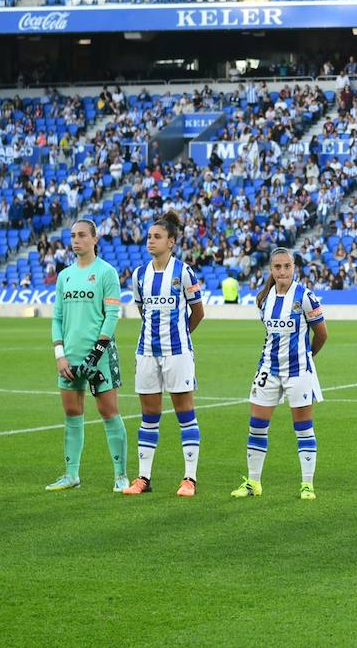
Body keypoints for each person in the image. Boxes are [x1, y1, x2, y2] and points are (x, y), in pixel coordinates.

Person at [232, 247, 328, 500]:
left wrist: (306, 357)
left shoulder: (305, 297)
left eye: (287, 266)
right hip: (268, 369)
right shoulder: (264, 298)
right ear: (271, 270)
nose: (282, 271)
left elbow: (322, 335)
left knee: (303, 428)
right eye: (277, 267)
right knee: (257, 426)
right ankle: (253, 482)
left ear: (294, 267)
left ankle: (307, 484)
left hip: (298, 371)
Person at [122, 211, 205, 498]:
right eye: (149, 237)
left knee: (186, 415)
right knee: (149, 416)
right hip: (146, 352)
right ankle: (144, 477)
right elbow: (142, 311)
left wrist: (179, 336)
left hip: (178, 352)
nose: (151, 241)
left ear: (171, 241)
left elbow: (198, 313)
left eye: (157, 237)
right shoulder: (139, 274)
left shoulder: (183, 272)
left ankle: (189, 479)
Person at [46, 218, 127, 493]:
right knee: (72, 412)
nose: (76, 240)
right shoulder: (64, 276)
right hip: (69, 357)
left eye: (82, 235)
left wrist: (98, 351)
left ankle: (120, 476)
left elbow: (113, 314)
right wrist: (60, 355)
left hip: (99, 356)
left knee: (108, 411)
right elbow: (56, 317)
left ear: (95, 239)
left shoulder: (106, 273)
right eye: (72, 236)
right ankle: (71, 475)